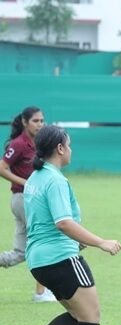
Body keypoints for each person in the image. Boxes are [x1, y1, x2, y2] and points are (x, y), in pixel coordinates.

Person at [9, 125, 121, 325]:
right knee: (90, 316)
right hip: (59, 258)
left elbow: (46, 220)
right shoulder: (55, 180)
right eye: (69, 145)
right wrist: (101, 242)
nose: (71, 149)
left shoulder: (35, 176)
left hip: (39, 259)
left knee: (76, 314)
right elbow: (62, 222)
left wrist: (76, 239)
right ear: (60, 148)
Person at [0, 106, 57, 302]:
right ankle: (41, 293)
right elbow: (2, 168)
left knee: (20, 253)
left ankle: (42, 292)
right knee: (42, 240)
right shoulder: (19, 144)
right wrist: (25, 182)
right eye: (35, 121)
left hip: (32, 200)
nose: (40, 124)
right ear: (25, 122)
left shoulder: (40, 144)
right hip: (23, 199)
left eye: (42, 120)